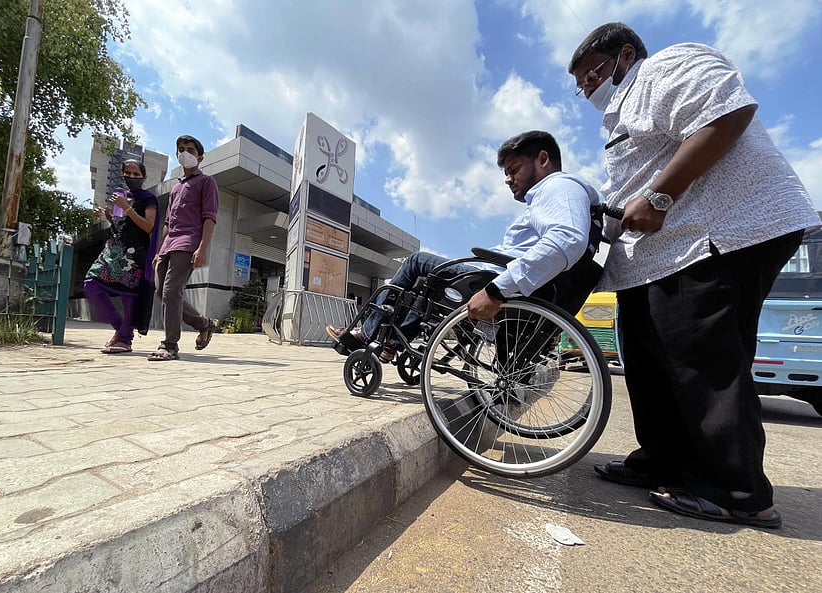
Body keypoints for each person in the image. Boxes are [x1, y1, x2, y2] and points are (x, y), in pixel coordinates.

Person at [568, 22, 819, 529]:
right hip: (661, 253)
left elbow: (728, 114)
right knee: (647, 358)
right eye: (582, 85)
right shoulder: (622, 114)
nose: (589, 89)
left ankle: (737, 490)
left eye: (593, 74)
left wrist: (661, 196)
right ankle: (662, 461)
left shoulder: (667, 66)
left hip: (721, 233)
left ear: (625, 54)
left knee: (700, 356)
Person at [327, 130, 602, 361]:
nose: (508, 179)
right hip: (509, 279)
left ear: (543, 159)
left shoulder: (558, 187)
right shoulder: (558, 198)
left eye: (514, 170)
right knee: (427, 286)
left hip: (497, 280)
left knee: (416, 262)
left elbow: (567, 239)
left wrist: (496, 289)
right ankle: (393, 343)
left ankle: (366, 333)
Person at [148, 135, 221, 361]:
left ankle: (169, 345)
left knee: (171, 291)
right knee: (163, 292)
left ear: (200, 157)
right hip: (169, 245)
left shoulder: (206, 182)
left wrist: (202, 248)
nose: (184, 153)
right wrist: (159, 250)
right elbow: (168, 223)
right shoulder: (175, 188)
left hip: (189, 242)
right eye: (181, 149)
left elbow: (210, 217)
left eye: (189, 149)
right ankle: (204, 323)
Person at [84, 159, 160, 354]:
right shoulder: (121, 196)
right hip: (112, 250)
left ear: (144, 177)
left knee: (128, 296)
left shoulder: (148, 198)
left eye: (136, 174)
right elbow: (122, 224)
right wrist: (109, 216)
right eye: (128, 173)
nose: (132, 177)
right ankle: (121, 329)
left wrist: (127, 207)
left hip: (133, 254)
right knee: (91, 284)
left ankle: (125, 340)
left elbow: (148, 226)